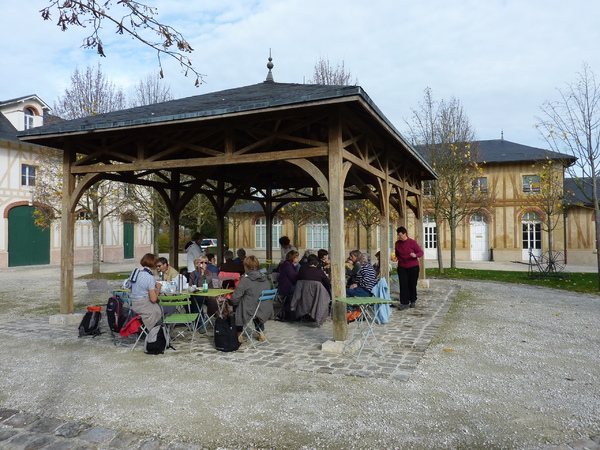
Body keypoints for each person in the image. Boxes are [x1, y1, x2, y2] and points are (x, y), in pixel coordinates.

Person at [230, 255, 272, 343]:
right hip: (263, 309)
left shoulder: (246, 279)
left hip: (249, 309)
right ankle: (260, 332)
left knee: (237, 306)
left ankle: (239, 332)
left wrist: (232, 302)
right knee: (256, 305)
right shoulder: (265, 279)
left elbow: (235, 297)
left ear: (246, 266)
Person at [128, 253, 163, 330]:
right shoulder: (149, 277)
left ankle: (144, 330)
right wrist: (158, 288)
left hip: (134, 304)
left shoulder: (135, 272)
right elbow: (153, 299)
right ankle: (155, 331)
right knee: (160, 310)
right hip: (143, 305)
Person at [395, 226, 424, 310]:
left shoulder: (412, 242)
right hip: (402, 266)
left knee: (412, 284)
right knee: (403, 284)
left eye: (401, 235)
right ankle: (404, 302)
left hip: (413, 266)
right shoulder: (397, 244)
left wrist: (415, 255)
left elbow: (420, 252)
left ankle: (413, 300)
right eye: (398, 235)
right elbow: (397, 253)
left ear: (405, 234)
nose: (400, 237)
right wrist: (396, 257)